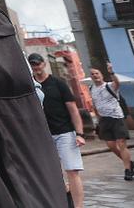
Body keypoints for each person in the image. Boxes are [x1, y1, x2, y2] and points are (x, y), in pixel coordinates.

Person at [28, 54, 86, 208]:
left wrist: (79, 134)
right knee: (51, 172)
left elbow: (73, 110)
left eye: (38, 64)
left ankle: (78, 206)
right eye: (33, 64)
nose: (36, 67)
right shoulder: (30, 86)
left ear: (44, 63)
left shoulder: (58, 84)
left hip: (64, 132)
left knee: (72, 171)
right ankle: (63, 198)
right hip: (44, 135)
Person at [87, 64, 134, 180]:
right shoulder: (91, 89)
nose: (95, 76)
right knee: (111, 145)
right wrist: (98, 120)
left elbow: (117, 83)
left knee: (121, 143)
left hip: (117, 118)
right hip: (104, 119)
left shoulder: (109, 86)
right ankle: (129, 162)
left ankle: (127, 169)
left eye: (97, 73)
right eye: (92, 74)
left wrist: (112, 72)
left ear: (102, 75)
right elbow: (95, 104)